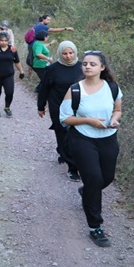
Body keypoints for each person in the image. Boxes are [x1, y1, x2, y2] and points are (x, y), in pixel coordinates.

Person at [59, 50, 123, 248]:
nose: (87, 66)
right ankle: (95, 227)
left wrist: (114, 120)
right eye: (85, 63)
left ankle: (87, 191)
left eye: (92, 64)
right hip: (83, 139)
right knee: (94, 178)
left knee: (107, 177)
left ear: (102, 68)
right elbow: (65, 118)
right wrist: (88, 120)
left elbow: (118, 110)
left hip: (108, 138)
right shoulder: (75, 90)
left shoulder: (112, 88)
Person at [37, 41, 84, 181]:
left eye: (71, 53)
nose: (68, 56)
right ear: (60, 53)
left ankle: (65, 153)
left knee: (76, 136)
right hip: (57, 105)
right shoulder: (53, 69)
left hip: (78, 107)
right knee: (62, 133)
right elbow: (44, 88)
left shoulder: (82, 67)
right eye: (65, 53)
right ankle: (72, 168)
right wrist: (41, 106)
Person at [0, 32, 25, 118]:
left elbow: (17, 61)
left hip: (8, 75)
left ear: (8, 41)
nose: (3, 42)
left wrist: (21, 71)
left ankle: (7, 107)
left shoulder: (13, 50)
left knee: (9, 92)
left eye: (5, 40)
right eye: (1, 40)